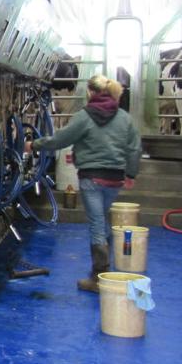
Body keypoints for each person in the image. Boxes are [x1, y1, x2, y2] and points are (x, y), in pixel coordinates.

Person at [27, 75, 142, 292]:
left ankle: (99, 278)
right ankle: (104, 272)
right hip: (115, 179)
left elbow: (60, 139)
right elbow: (134, 148)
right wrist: (131, 174)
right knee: (102, 220)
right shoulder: (124, 118)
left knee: (97, 224)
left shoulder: (84, 116)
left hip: (91, 177)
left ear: (90, 92)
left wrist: (34, 144)